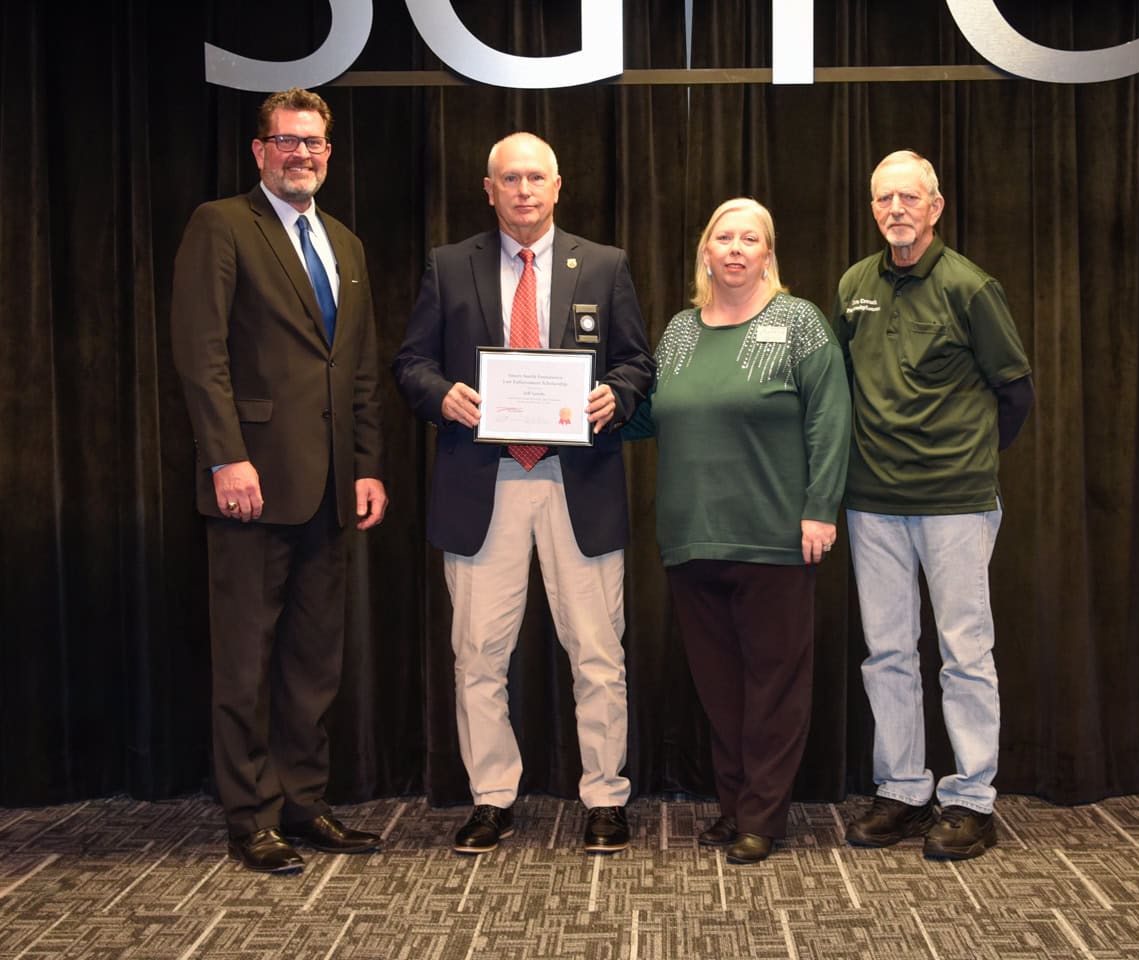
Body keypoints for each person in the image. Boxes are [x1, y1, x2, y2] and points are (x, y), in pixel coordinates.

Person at [392, 132, 654, 855]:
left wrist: (617, 394)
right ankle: (491, 797)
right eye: (510, 179)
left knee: (598, 652)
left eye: (536, 177)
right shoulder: (450, 266)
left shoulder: (604, 264)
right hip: (486, 483)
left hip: (579, 483)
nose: (524, 191)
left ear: (558, 186)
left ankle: (605, 796)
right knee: (478, 654)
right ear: (489, 190)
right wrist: (442, 396)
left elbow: (638, 362)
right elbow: (410, 363)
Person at [171, 88, 388, 874]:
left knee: (313, 660)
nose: (303, 154)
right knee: (245, 661)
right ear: (260, 150)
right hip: (252, 483)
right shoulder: (222, 225)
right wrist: (225, 457)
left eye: (314, 142)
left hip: (331, 489)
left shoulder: (345, 244)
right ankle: (251, 817)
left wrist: (367, 465)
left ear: (329, 152)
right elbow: (201, 353)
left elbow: (358, 367)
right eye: (288, 141)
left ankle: (304, 802)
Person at [623, 198, 851, 864]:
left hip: (775, 536)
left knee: (774, 687)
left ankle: (762, 815)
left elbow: (831, 417)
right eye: (724, 237)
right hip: (690, 537)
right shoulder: (679, 331)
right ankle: (733, 806)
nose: (735, 248)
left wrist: (820, 507)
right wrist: (584, 407)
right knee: (720, 689)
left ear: (768, 254)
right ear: (705, 251)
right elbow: (651, 414)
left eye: (750, 239)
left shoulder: (799, 322)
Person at [834, 150, 1034, 860]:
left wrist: (963, 457)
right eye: (884, 198)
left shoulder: (970, 287)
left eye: (910, 198)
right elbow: (841, 386)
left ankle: (971, 798)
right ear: (873, 208)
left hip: (954, 501)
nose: (896, 210)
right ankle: (903, 789)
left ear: (935, 207)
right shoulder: (854, 284)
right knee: (887, 652)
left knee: (963, 653)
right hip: (871, 501)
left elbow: (1015, 391)